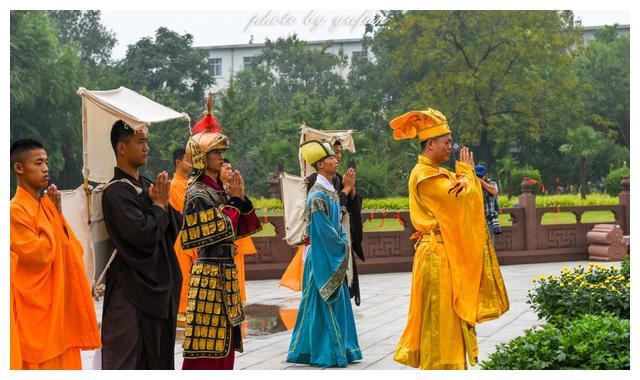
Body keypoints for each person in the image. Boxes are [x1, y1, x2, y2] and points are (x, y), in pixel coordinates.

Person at [389, 109, 509, 370]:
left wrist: (464, 176)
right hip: (436, 256)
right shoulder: (426, 176)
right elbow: (460, 202)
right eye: (446, 142)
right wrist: (466, 172)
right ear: (430, 144)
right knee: (440, 320)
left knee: (449, 321)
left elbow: (463, 192)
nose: (450, 147)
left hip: (444, 253)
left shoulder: (438, 173)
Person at [180, 107, 261, 370]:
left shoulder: (220, 191)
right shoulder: (197, 193)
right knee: (207, 342)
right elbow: (220, 227)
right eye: (216, 152)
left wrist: (240, 198)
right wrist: (234, 202)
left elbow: (245, 224)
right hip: (208, 274)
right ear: (201, 156)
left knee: (225, 340)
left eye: (222, 152)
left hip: (226, 272)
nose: (221, 156)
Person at [10, 139, 101, 369]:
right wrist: (51, 214)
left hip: (60, 314)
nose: (45, 169)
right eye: (38, 163)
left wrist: (55, 214)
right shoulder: (14, 211)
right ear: (19, 168)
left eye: (47, 163)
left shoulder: (46, 206)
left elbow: (73, 249)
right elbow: (40, 254)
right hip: (36, 318)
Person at [100, 120, 183, 369]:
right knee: (130, 361)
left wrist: (161, 203)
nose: (146, 147)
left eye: (147, 141)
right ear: (122, 148)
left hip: (158, 291)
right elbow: (143, 235)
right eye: (140, 141)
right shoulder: (116, 193)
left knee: (158, 360)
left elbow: (174, 225)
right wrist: (158, 205)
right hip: (131, 291)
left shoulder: (147, 185)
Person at [286, 140, 362, 368]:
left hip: (330, 257)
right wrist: (341, 243)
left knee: (331, 305)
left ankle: (340, 347)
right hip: (323, 258)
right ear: (320, 165)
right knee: (321, 305)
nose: (336, 160)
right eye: (331, 158)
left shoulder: (328, 191)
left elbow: (336, 220)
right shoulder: (316, 196)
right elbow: (322, 233)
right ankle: (326, 351)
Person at [305, 140, 365, 305]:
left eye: (339, 153)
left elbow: (351, 207)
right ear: (321, 163)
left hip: (339, 240)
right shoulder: (315, 185)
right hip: (328, 247)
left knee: (342, 294)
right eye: (333, 154)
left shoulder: (338, 179)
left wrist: (350, 188)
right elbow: (330, 214)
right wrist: (346, 189)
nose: (338, 158)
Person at [219, 158, 258, 304]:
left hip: (235, 236)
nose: (230, 171)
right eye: (226, 168)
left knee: (237, 272)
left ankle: (238, 298)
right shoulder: (213, 190)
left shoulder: (229, 188)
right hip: (222, 240)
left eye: (231, 168)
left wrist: (240, 194)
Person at [170, 147, 198, 326]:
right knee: (184, 274)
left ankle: (191, 307)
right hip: (182, 235)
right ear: (178, 162)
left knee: (192, 274)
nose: (190, 163)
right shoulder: (174, 185)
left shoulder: (188, 183)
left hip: (193, 234)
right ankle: (181, 310)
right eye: (187, 160)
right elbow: (185, 208)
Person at [474, 164, 501, 242]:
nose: (478, 178)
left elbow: (494, 191)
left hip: (489, 219)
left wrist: (481, 182)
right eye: (477, 176)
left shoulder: (491, 182)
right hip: (477, 221)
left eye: (480, 176)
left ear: (485, 175)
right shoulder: (473, 184)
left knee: (490, 244)